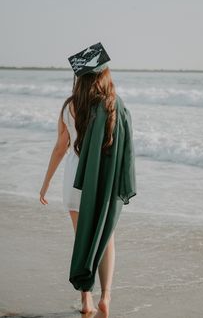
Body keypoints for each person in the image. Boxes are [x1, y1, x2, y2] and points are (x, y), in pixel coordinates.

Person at [39, 42, 136, 318]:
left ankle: (87, 302)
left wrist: (45, 182)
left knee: (81, 238)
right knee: (106, 240)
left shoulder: (70, 106)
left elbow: (61, 147)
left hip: (73, 182)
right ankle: (105, 296)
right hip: (101, 183)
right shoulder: (112, 106)